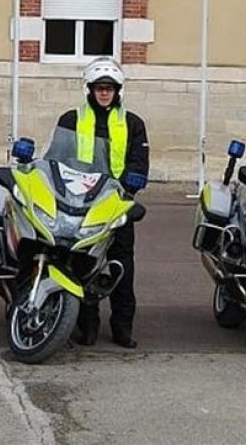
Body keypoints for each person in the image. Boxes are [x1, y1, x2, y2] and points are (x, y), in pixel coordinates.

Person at [62, 57, 150, 349]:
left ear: (118, 91)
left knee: (122, 266)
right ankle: (85, 326)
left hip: (115, 203)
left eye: (109, 88)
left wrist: (129, 188)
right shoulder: (72, 119)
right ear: (89, 89)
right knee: (81, 264)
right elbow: (57, 158)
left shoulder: (133, 123)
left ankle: (123, 328)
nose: (104, 93)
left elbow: (139, 162)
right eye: (99, 87)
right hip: (80, 202)